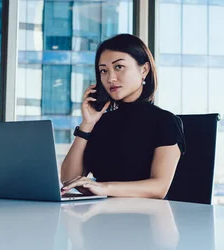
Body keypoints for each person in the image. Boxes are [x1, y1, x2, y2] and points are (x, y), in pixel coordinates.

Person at [60, 34, 185, 199]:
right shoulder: (101, 122)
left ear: (144, 70)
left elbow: (159, 188)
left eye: (119, 67)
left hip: (145, 219)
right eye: (103, 71)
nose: (110, 78)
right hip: (101, 216)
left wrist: (104, 188)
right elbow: (68, 179)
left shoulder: (165, 121)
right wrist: (86, 125)